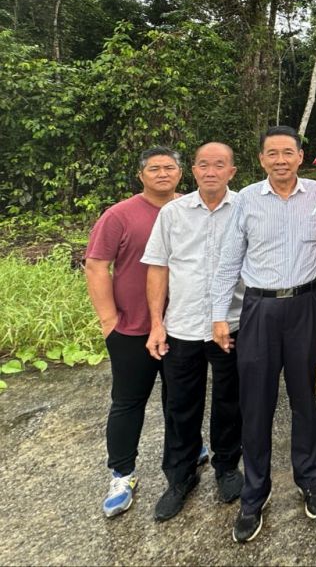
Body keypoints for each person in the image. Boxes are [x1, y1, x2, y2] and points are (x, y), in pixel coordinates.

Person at [210, 125, 316, 543]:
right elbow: (230, 260)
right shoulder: (247, 198)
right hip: (260, 309)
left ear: (301, 156)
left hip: (306, 303)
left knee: (306, 398)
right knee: (256, 403)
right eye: (272, 153)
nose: (281, 160)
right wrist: (218, 316)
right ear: (262, 159)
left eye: (288, 152)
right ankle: (255, 493)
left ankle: (310, 478)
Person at [141, 142, 244, 522]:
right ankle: (180, 477)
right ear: (194, 172)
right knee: (180, 404)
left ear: (232, 171)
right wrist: (156, 323)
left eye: (220, 165)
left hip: (231, 322)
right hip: (182, 324)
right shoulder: (173, 213)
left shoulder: (245, 210)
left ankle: (227, 467)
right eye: (204, 165)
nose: (211, 171)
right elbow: (158, 268)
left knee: (230, 401)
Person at [85, 146, 183, 518]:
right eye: (154, 168)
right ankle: (122, 473)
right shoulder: (119, 216)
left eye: (169, 167)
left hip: (181, 326)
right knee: (128, 402)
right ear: (141, 175)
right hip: (130, 329)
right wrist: (109, 322)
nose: (162, 174)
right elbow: (96, 267)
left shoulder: (189, 208)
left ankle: (189, 449)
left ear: (179, 173)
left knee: (181, 397)